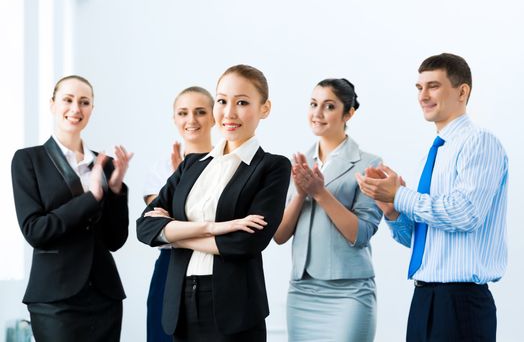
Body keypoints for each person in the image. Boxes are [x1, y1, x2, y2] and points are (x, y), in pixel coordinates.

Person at [356, 53, 508, 341]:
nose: (423, 96)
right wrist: (393, 212)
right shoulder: (436, 151)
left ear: (462, 92)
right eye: (419, 87)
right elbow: (421, 240)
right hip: (425, 298)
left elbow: (465, 215)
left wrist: (400, 195)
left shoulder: (479, 142)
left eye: (433, 86)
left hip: (461, 303)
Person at [137, 64, 291, 341]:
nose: (229, 113)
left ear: (264, 109)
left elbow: (247, 243)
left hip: (234, 308)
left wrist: (174, 234)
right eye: (222, 101)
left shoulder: (272, 167)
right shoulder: (191, 165)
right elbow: (145, 228)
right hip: (180, 305)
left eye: (242, 102)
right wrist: (215, 227)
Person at [11, 75, 133, 342]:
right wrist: (90, 198)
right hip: (54, 299)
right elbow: (35, 230)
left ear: (91, 109)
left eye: (84, 102)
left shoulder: (106, 164)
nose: (76, 109)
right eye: (68, 100)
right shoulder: (28, 160)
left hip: (104, 295)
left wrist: (114, 191)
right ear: (53, 104)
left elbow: (115, 240)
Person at [274, 78, 383, 341]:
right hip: (302, 289)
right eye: (313, 104)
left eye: (329, 106)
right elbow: (279, 235)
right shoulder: (298, 163)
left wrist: (320, 193)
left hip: (350, 291)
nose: (317, 113)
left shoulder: (369, 164)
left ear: (349, 113)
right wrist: (301, 194)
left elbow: (361, 233)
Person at [143, 86, 214, 342]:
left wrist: (176, 219)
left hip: (215, 267)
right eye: (183, 113)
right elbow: (156, 228)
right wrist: (177, 180)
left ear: (214, 116)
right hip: (169, 267)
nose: (191, 120)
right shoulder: (161, 168)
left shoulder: (229, 164)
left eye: (200, 112)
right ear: (174, 119)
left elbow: (174, 224)